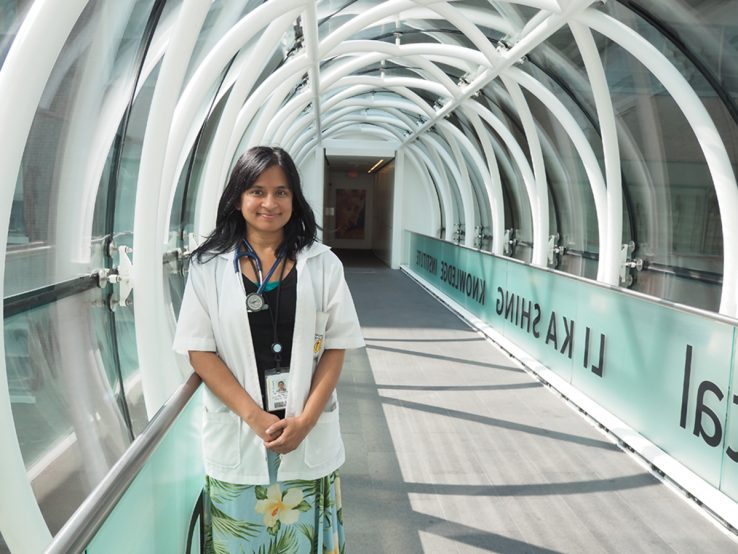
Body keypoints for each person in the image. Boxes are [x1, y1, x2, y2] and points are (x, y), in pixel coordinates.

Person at [173, 146, 364, 553]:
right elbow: (199, 352)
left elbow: (336, 346)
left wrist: (307, 421)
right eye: (257, 191)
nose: (269, 203)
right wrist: (255, 417)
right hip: (241, 435)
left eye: (281, 192)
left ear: (294, 199)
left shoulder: (323, 263)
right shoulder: (208, 267)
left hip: (305, 435)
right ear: (239, 197)